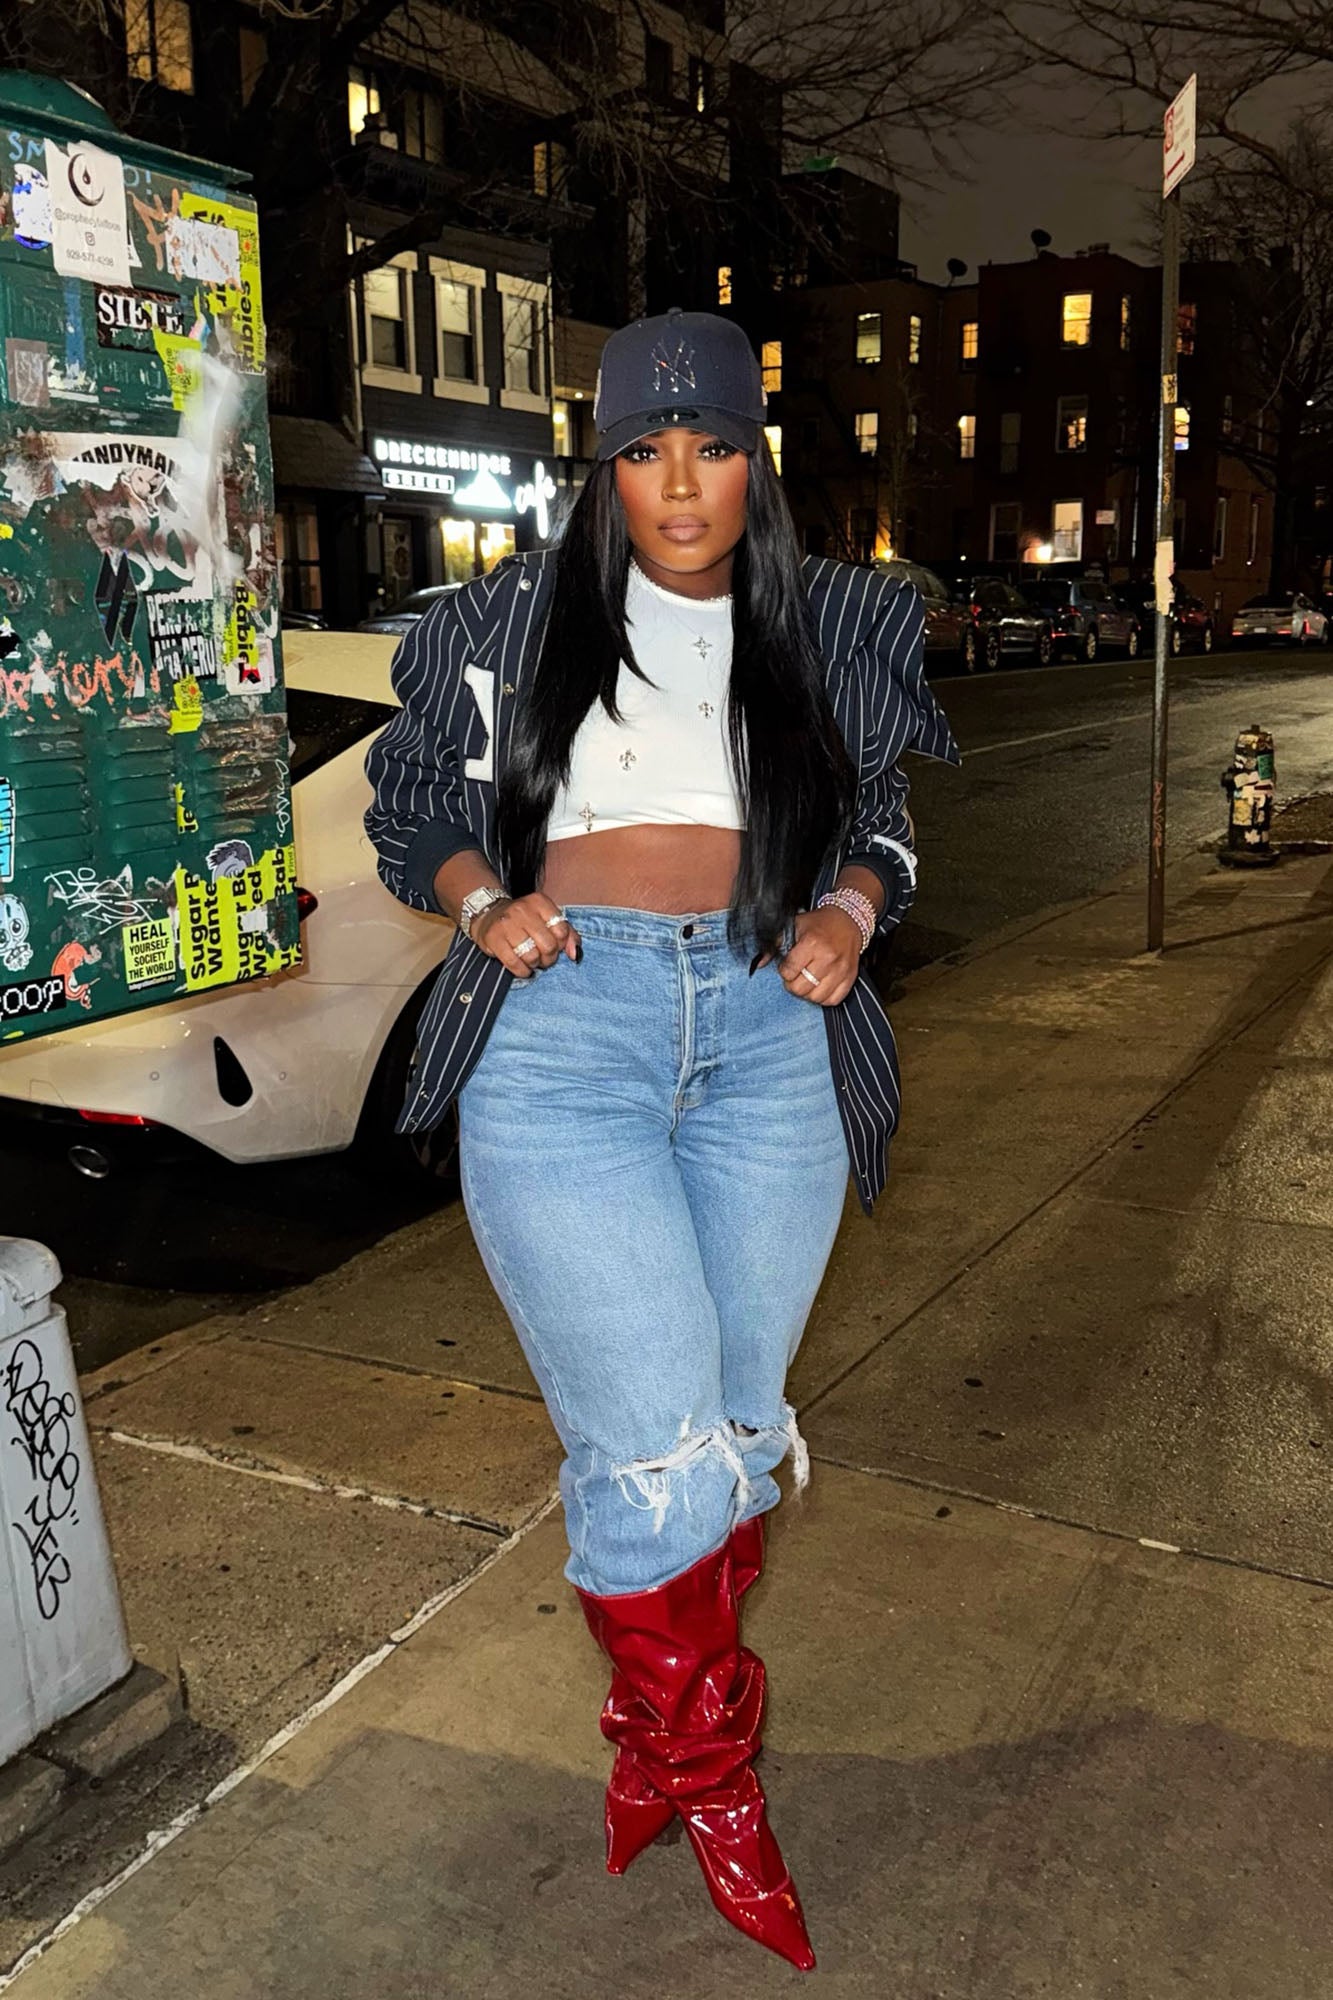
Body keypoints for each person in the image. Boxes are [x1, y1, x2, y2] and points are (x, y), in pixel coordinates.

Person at [365, 308, 959, 1969]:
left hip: (771, 1037)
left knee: (737, 1435)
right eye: (644, 449)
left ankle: (650, 1740)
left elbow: (885, 824)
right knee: (649, 1449)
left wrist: (848, 909)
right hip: (567, 1037)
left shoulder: (833, 621)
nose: (680, 482)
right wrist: (481, 904)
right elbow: (413, 808)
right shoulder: (500, 621)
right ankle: (714, 1784)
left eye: (710, 448)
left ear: (754, 463)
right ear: (604, 466)